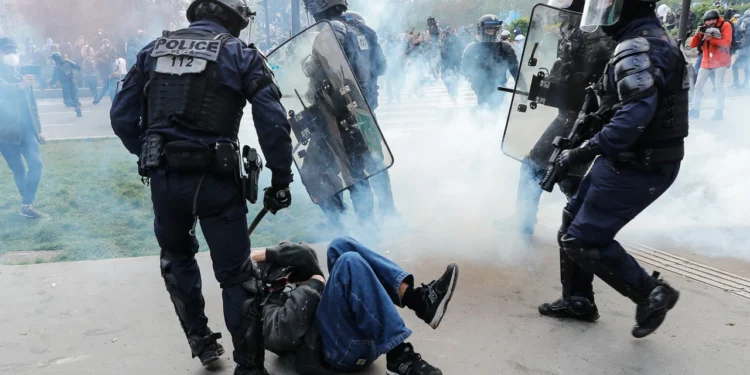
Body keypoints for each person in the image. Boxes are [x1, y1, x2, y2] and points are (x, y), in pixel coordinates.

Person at [109, 0, 294, 373]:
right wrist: (280, 178)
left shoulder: (152, 52)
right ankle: (249, 367)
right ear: (236, 17)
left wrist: (149, 152)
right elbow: (273, 123)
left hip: (165, 181)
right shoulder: (241, 54)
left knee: (177, 259)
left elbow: (121, 116)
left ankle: (202, 343)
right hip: (216, 182)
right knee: (237, 276)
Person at [538, 0, 686, 339]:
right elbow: (619, 107)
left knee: (583, 239)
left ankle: (652, 293)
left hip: (642, 163)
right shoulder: (643, 39)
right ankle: (578, 301)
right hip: (626, 158)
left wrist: (578, 153)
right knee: (571, 224)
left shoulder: (640, 46)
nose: (601, 11)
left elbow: (631, 121)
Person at [252, 237, 459, 375]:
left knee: (340, 246)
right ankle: (399, 355)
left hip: (360, 338)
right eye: (284, 274)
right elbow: (285, 334)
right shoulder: (265, 308)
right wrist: (314, 284)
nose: (290, 276)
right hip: (335, 355)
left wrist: (265, 254)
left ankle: (417, 300)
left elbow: (304, 254)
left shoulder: (299, 280)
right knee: (348, 263)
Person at [514, 0, 614, 236]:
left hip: (577, 117)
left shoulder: (585, 35)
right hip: (583, 116)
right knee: (567, 174)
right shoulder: (592, 32)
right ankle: (584, 226)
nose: (560, 19)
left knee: (535, 166)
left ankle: (527, 224)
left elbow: (572, 80)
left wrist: (541, 89)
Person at [303, 0, 398, 230]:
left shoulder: (329, 34)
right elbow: (382, 67)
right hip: (366, 110)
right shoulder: (362, 29)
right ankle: (390, 214)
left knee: (354, 169)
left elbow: (323, 77)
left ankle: (367, 224)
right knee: (375, 161)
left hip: (343, 113)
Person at [0, 37, 46, 219]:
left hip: (27, 130)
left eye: (14, 50)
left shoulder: (21, 72)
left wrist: (39, 130)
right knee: (18, 169)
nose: (12, 54)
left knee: (37, 164)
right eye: (7, 50)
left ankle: (27, 203)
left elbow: (32, 104)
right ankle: (27, 204)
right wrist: (20, 85)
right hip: (5, 132)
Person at [460, 14, 519, 109]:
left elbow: (515, 70)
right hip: (480, 87)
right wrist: (473, 78)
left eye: (493, 30)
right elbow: (463, 70)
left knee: (494, 111)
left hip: (499, 86)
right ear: (481, 31)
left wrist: (523, 87)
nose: (491, 32)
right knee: (484, 111)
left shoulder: (505, 47)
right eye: (488, 30)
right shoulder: (472, 48)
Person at [689, 9, 732, 121]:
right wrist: (698, 34)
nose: (710, 22)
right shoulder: (704, 28)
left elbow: (726, 43)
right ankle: (695, 109)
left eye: (712, 19)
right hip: (706, 61)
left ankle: (719, 111)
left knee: (718, 86)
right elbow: (692, 44)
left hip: (721, 61)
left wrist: (711, 39)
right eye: (708, 20)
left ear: (717, 19)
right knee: (698, 86)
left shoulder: (725, 25)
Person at [49, 52, 83, 117]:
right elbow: (78, 67)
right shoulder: (67, 62)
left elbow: (55, 77)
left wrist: (51, 83)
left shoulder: (56, 67)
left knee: (67, 101)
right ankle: (78, 109)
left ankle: (76, 106)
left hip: (65, 84)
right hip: (73, 82)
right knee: (74, 98)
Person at [439, 29, 462, 103]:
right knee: (454, 80)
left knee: (448, 80)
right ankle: (454, 94)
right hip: (453, 63)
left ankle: (452, 94)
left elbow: (442, 54)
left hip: (447, 64)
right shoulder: (456, 39)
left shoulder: (444, 41)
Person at [730, 10, 750, 89]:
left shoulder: (746, 22)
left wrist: (739, 45)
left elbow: (747, 39)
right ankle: (745, 84)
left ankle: (737, 83)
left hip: (746, 51)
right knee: (747, 67)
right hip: (746, 51)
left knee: (735, 66)